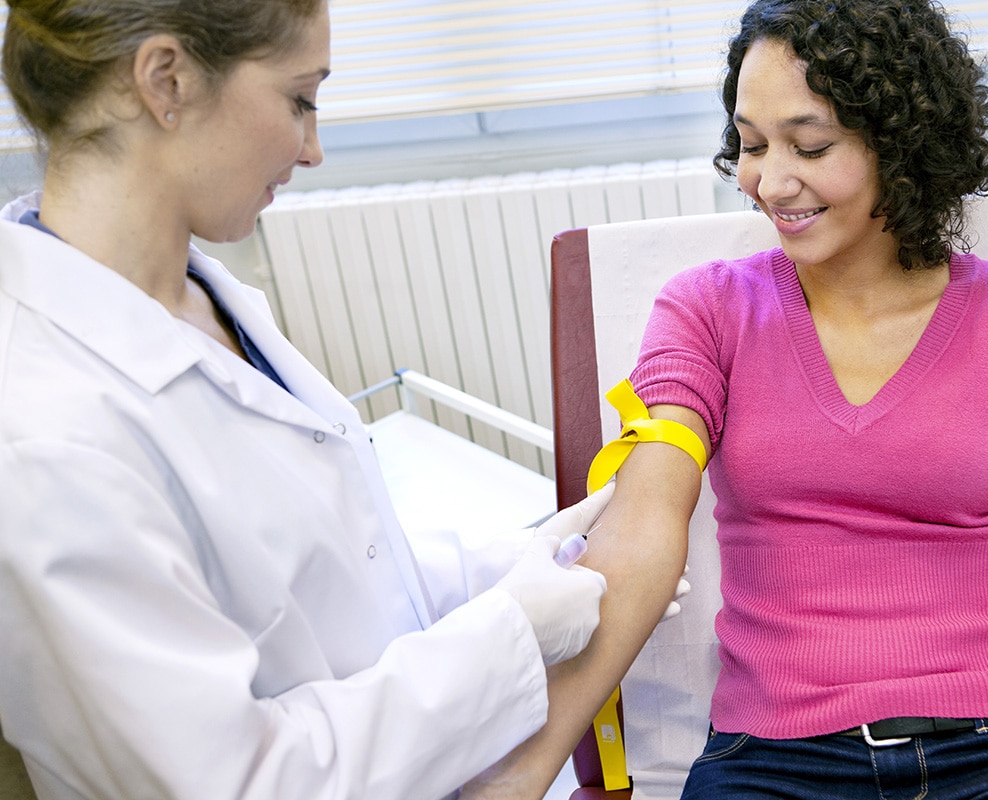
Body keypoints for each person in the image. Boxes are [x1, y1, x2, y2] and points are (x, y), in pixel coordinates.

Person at [464, 0, 988, 798]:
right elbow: (642, 535)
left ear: (901, 140)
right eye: (751, 144)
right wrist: (524, 770)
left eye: (809, 145)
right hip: (771, 760)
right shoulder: (705, 313)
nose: (769, 181)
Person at [0, 1, 654, 798]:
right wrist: (510, 631)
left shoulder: (205, 299)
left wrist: (513, 565)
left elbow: (340, 583)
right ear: (165, 80)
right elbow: (237, 782)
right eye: (300, 99)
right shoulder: (42, 441)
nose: (313, 148)